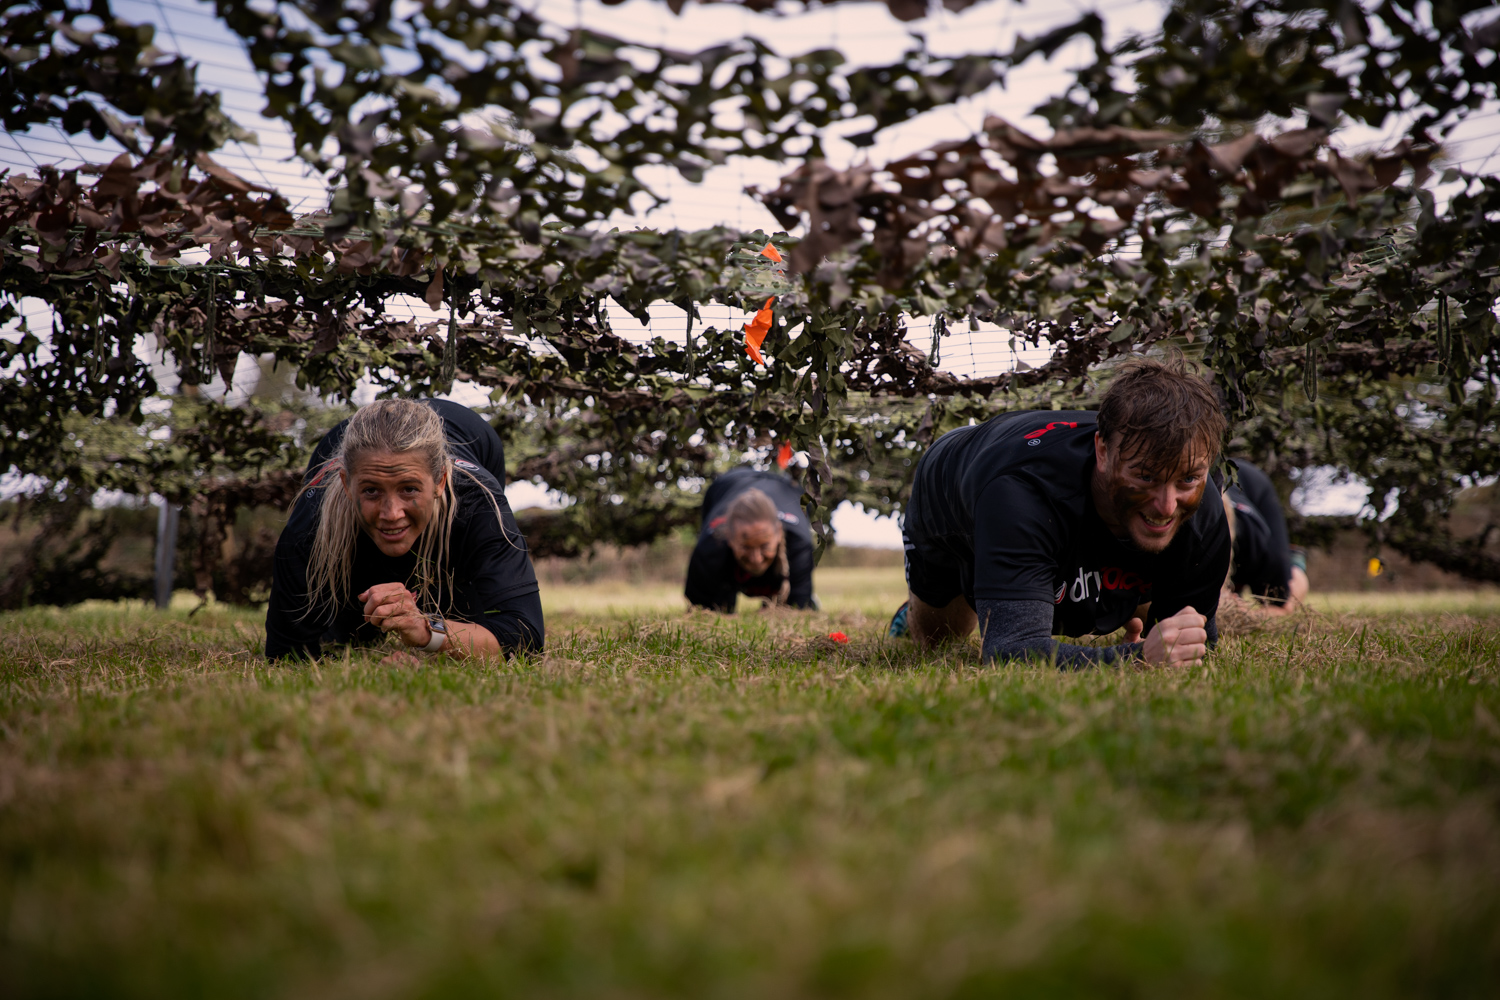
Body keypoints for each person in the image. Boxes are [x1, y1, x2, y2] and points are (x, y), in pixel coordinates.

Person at [889, 357, 1230, 668]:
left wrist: (1169, 648)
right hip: (951, 493)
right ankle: (920, 610)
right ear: (1102, 451)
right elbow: (1009, 650)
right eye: (1145, 476)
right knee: (939, 641)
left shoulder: (1203, 511)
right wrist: (1133, 659)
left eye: (1187, 479)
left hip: (1080, 513)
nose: (1167, 505)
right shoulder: (1019, 493)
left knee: (1148, 565)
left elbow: (1195, 646)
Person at [265, 398, 544, 662]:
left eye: (409, 488)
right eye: (371, 490)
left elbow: (525, 637)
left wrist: (426, 630)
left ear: (440, 481)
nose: (392, 514)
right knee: (349, 634)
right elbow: (286, 651)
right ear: (347, 484)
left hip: (473, 434)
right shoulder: (312, 518)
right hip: (339, 452)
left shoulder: (478, 501)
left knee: (465, 612)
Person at [685, 467, 816, 612]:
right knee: (717, 605)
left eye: (764, 546)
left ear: (779, 533)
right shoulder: (710, 546)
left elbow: (799, 608)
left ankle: (781, 597)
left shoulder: (799, 545)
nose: (756, 559)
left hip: (786, 487)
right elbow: (699, 609)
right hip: (727, 484)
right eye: (746, 547)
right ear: (729, 536)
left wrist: (796, 600)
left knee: (795, 600)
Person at [1222, 458, 1310, 615]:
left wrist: (1245, 614)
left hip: (1254, 486)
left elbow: (1282, 607)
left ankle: (1295, 561)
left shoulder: (1255, 541)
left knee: (1285, 595)